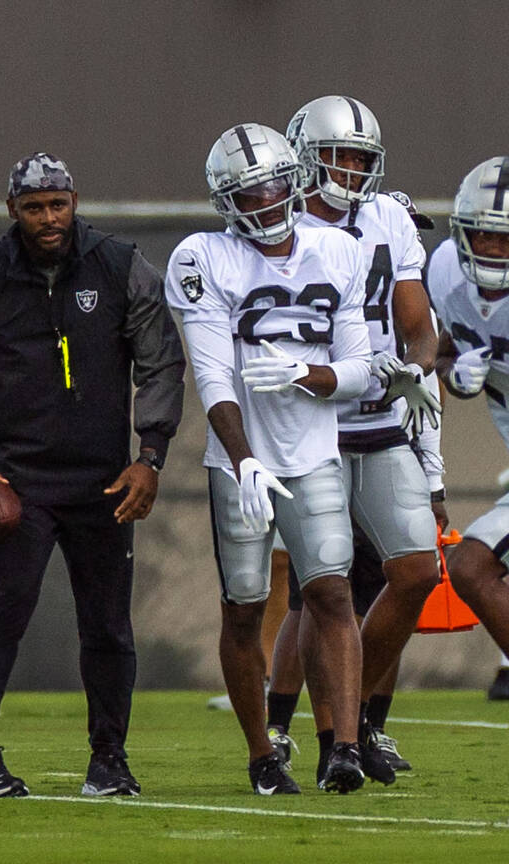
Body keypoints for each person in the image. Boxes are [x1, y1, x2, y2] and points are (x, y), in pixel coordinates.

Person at [0, 152, 186, 798]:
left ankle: (109, 758)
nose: (49, 218)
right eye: (35, 207)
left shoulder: (123, 267)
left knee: (107, 622)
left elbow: (160, 363)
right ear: (11, 210)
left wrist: (150, 454)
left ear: (76, 201)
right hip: (19, 478)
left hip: (104, 479)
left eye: (59, 204)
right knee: (7, 605)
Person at [165, 123, 372, 794]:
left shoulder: (337, 250)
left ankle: (343, 746)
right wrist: (244, 458)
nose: (265, 200)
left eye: (275, 185)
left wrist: (308, 376)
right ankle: (261, 752)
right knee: (245, 606)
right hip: (240, 464)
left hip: (313, 452)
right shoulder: (202, 256)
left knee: (331, 591)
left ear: (296, 180)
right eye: (248, 192)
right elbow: (213, 374)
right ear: (226, 202)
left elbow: (361, 369)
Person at [261, 100, 442, 787]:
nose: (355, 171)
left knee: (418, 570)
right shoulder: (277, 222)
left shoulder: (389, 218)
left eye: (365, 159)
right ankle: (323, 734)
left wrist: (416, 370)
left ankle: (355, 713)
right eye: (343, 156)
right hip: (313, 425)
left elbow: (418, 327)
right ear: (308, 156)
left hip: (380, 417)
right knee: (324, 590)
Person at [428, 156, 509, 695]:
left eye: (505, 240)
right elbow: (438, 357)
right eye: (484, 237)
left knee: (471, 567)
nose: (494, 250)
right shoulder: (442, 273)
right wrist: (457, 375)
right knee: (471, 568)